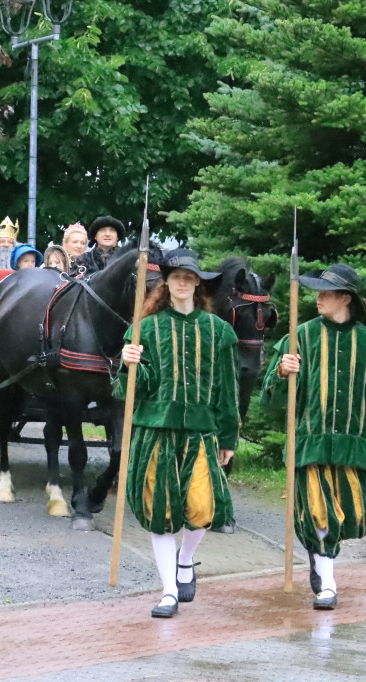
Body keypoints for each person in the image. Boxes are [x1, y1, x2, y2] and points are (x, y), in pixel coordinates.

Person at [262, 264, 366, 611]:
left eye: (326, 293)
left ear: (345, 298)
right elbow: (271, 403)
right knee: (319, 513)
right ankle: (327, 583)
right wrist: (284, 373)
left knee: (356, 517)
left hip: (353, 447)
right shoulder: (299, 339)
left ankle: (319, 555)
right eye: (317, 292)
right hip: (310, 443)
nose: (319, 299)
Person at [118, 248, 240, 619]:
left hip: (201, 432)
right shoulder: (145, 329)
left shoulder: (219, 332)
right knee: (160, 510)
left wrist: (229, 438)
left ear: (197, 283)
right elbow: (136, 391)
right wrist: (129, 366)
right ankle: (168, 591)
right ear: (166, 283)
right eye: (176, 276)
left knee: (202, 508)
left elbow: (227, 389)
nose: (182, 282)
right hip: (155, 429)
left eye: (189, 276)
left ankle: (185, 560)